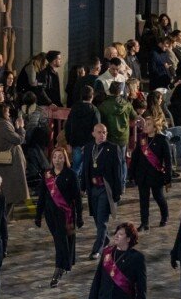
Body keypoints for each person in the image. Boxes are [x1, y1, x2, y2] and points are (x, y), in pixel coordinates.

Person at [35, 148, 82, 288]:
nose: (57, 159)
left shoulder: (71, 174)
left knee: (62, 241)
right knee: (60, 240)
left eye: (60, 157)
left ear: (65, 159)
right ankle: (65, 263)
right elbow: (42, 196)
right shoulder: (47, 175)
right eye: (55, 157)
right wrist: (38, 215)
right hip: (51, 215)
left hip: (66, 214)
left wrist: (79, 216)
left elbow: (77, 198)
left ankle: (58, 269)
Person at [83, 124, 123, 260]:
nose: (102, 135)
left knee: (102, 220)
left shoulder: (112, 148)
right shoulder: (89, 147)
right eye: (99, 132)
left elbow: (118, 172)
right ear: (93, 133)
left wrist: (118, 192)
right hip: (92, 188)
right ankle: (105, 239)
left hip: (105, 189)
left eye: (104, 132)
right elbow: (85, 168)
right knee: (96, 217)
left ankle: (97, 249)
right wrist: (83, 186)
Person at [129, 115, 172, 231]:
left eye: (148, 125)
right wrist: (131, 173)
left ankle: (165, 216)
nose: (145, 127)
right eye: (145, 124)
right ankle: (144, 223)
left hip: (156, 175)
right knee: (143, 200)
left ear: (155, 127)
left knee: (159, 197)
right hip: (142, 175)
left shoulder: (162, 140)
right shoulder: (142, 139)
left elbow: (168, 161)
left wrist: (168, 177)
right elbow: (135, 156)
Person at [0, 104, 29, 214]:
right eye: (7, 112)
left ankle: (7, 215)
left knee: (11, 190)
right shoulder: (3, 125)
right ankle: (5, 216)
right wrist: (21, 128)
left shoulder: (0, 124)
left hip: (10, 162)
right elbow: (18, 140)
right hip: (11, 163)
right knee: (11, 189)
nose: (8, 114)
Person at [64, 85, 100, 175]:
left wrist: (68, 142)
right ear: (92, 96)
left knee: (76, 166)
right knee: (88, 168)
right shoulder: (94, 110)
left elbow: (68, 126)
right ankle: (85, 187)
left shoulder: (75, 108)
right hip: (89, 143)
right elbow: (97, 128)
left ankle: (74, 186)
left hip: (76, 142)